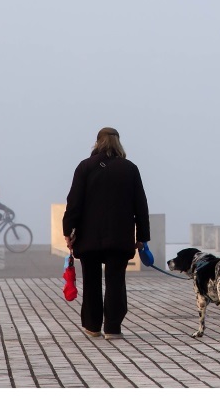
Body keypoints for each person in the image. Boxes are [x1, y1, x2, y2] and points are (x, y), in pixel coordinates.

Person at [63, 127, 150, 340]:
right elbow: (141, 205)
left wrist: (68, 231)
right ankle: (113, 327)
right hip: (120, 237)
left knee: (91, 281)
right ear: (118, 143)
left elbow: (74, 203)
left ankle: (93, 327)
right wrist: (142, 238)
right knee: (115, 282)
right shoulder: (129, 169)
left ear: (97, 142)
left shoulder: (85, 167)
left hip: (88, 237)